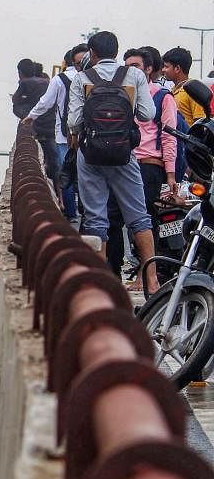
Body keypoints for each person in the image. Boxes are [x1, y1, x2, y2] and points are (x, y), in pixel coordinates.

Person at [67, 30, 160, 294]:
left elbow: (74, 122)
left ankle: (100, 283)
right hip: (124, 155)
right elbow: (146, 114)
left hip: (91, 156)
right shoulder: (134, 75)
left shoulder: (82, 79)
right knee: (139, 217)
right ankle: (151, 281)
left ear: (92, 54)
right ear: (117, 52)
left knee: (96, 218)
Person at [107, 48, 179, 287]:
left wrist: (170, 174)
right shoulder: (122, 95)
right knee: (113, 219)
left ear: (148, 69)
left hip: (150, 166)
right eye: (126, 65)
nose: (130, 70)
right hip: (122, 163)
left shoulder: (162, 97)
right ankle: (112, 275)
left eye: (135, 66)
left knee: (144, 220)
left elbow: (170, 137)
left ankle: (146, 276)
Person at [25, 44, 89, 221]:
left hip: (65, 135)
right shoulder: (90, 77)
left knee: (65, 173)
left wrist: (30, 117)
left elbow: (46, 103)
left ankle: (71, 213)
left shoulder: (59, 79)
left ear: (65, 62)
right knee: (86, 173)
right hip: (89, 135)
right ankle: (88, 211)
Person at [13, 58, 58, 182]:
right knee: (54, 157)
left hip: (38, 125)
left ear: (20, 72)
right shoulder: (47, 81)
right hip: (51, 124)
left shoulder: (25, 83)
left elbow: (15, 100)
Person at [162, 46, 209, 126]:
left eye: (166, 67)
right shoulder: (173, 90)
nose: (163, 70)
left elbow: (200, 123)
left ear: (177, 68)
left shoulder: (193, 92)